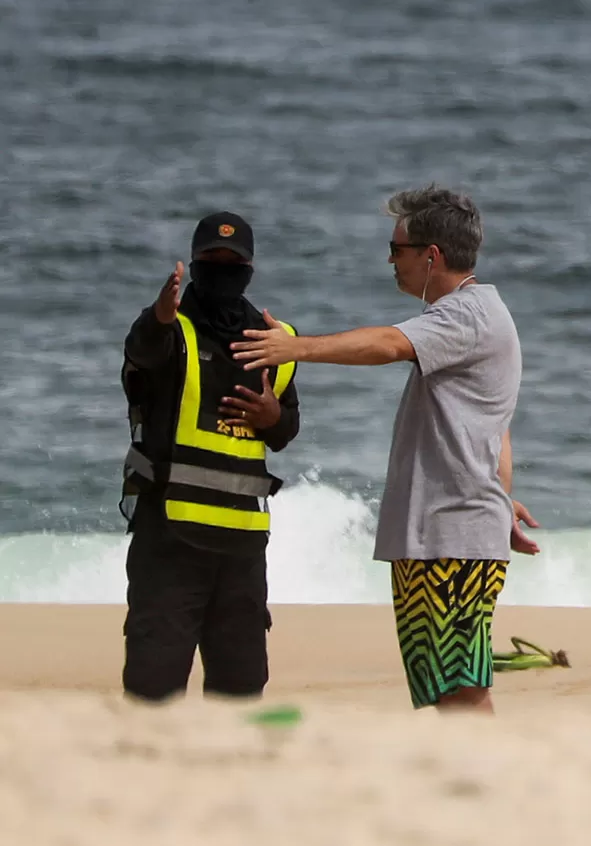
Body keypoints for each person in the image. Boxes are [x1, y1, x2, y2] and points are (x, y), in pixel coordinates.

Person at [230, 184, 538, 714]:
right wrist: (497, 500)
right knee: (450, 687)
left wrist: (294, 347)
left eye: (398, 249)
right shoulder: (475, 318)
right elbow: (495, 430)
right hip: (454, 532)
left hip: (451, 540)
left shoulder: (466, 315)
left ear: (432, 256)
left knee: (460, 688)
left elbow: (387, 343)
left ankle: (491, 786)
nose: (390, 260)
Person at [118, 211, 302, 702]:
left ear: (249, 268)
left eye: (233, 262)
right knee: (153, 690)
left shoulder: (272, 338)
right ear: (195, 264)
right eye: (211, 261)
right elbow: (140, 354)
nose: (223, 270)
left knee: (240, 692)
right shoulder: (170, 330)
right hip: (169, 542)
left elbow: (287, 429)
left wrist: (269, 417)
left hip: (242, 548)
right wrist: (157, 316)